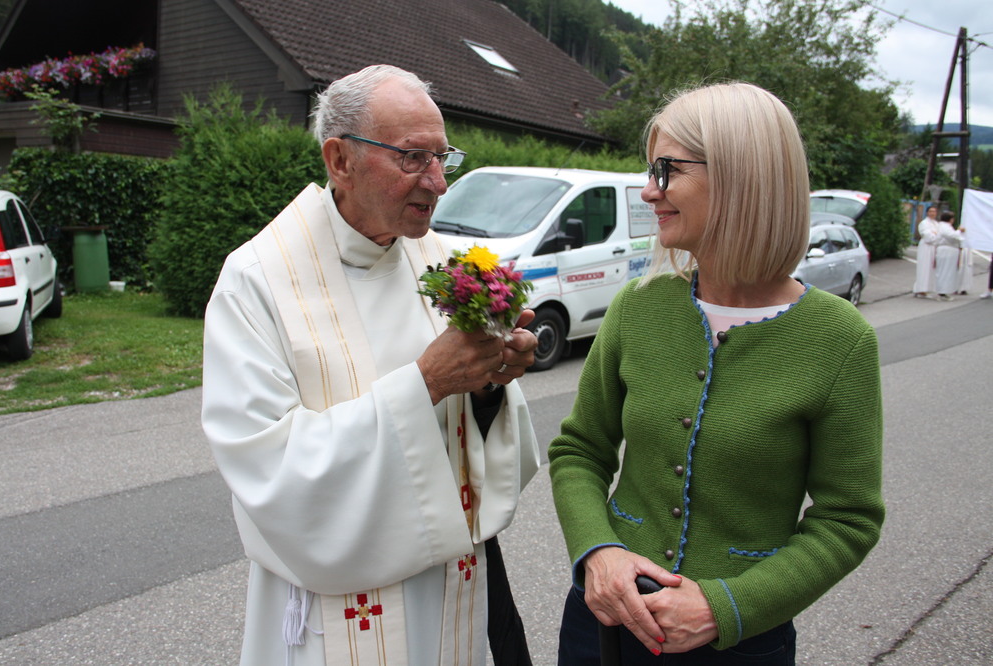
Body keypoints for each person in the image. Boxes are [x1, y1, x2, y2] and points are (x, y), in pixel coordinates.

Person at [202, 64, 540, 666]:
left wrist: (490, 380)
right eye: (413, 158)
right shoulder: (256, 282)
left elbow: (480, 442)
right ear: (340, 160)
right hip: (333, 610)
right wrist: (426, 382)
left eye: (442, 157)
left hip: (451, 589)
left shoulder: (443, 262)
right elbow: (268, 469)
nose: (438, 182)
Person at [549, 82, 885, 665]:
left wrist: (725, 606)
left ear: (740, 177)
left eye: (666, 170)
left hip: (739, 641)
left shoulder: (840, 339)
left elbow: (848, 519)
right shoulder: (637, 307)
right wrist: (598, 551)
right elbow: (579, 450)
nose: (648, 191)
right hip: (601, 621)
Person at [933, 211, 965, 300]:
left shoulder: (945, 226)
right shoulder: (944, 226)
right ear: (950, 219)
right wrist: (959, 231)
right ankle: (942, 292)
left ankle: (944, 291)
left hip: (949, 250)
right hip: (946, 250)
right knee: (945, 271)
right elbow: (952, 236)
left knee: (948, 271)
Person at [913, 205, 939, 298]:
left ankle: (928, 289)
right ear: (927, 212)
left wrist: (936, 235)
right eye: (930, 211)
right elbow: (927, 236)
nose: (932, 213)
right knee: (924, 268)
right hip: (926, 247)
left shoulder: (936, 223)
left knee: (931, 269)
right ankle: (921, 289)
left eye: (934, 211)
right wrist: (935, 235)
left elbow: (939, 235)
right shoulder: (924, 223)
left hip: (934, 248)